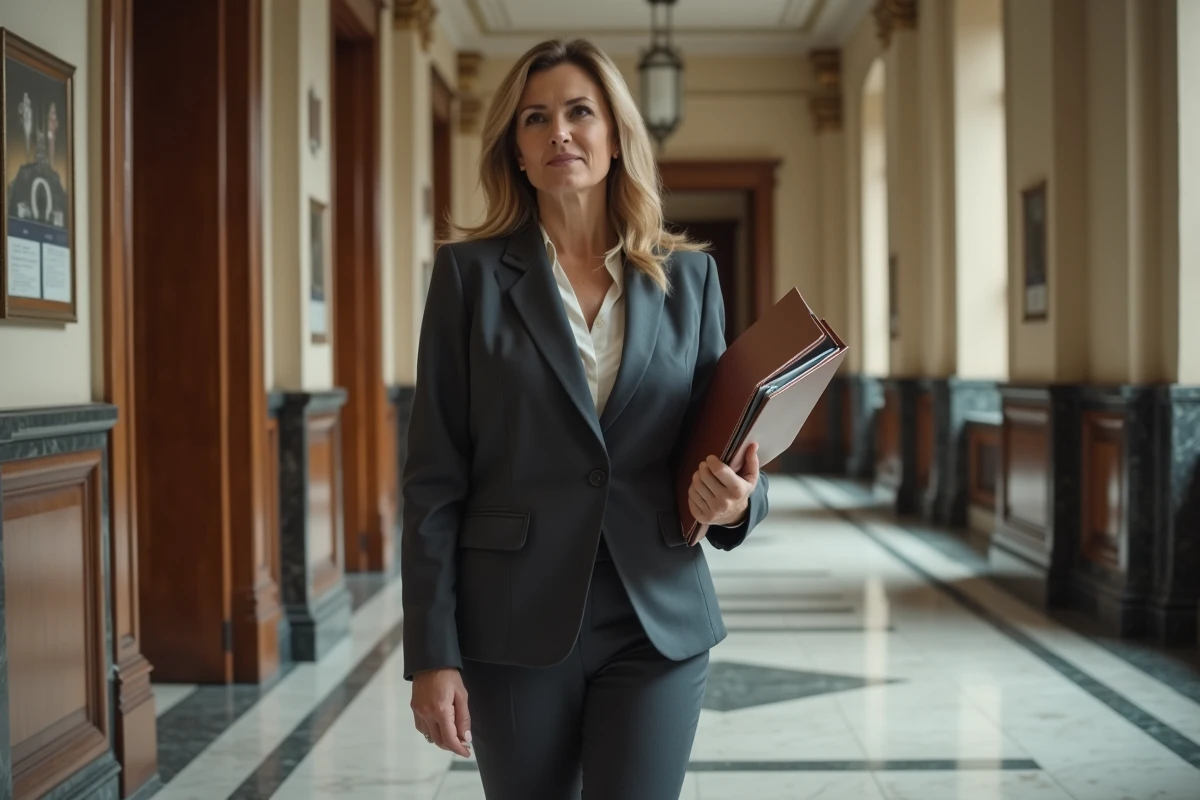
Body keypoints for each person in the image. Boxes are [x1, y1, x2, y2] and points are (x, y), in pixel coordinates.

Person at [401, 37, 769, 800]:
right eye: (536, 119)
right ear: (518, 151)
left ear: (615, 138)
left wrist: (739, 502)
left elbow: (727, 444)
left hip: (656, 614)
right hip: (512, 620)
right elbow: (435, 477)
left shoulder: (689, 279)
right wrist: (432, 653)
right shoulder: (469, 279)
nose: (559, 131)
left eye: (579, 112)